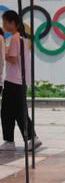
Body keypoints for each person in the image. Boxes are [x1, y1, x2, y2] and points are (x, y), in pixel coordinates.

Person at [0, 10, 40, 151]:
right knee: (10, 111)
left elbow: (13, 58)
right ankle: (11, 140)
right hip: (18, 80)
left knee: (15, 111)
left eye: (5, 22)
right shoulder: (20, 38)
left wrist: (2, 54)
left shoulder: (16, 38)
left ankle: (31, 137)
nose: (3, 25)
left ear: (13, 23)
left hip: (14, 81)